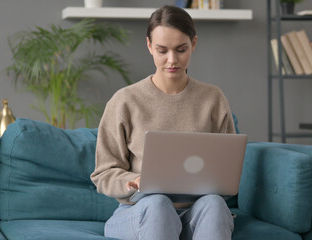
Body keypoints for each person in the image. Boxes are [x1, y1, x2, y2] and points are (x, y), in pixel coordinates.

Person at [91, 5, 236, 240]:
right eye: (162, 50)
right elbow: (103, 174)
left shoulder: (213, 99)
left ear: (194, 44)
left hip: (196, 212)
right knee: (158, 204)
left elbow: (227, 171)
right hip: (140, 211)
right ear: (149, 46)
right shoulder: (125, 100)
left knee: (215, 205)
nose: (172, 60)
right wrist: (133, 180)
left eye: (181, 49)